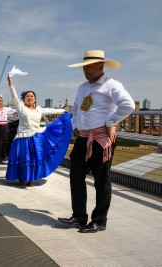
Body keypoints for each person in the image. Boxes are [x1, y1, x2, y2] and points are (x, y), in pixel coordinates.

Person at [58, 50, 135, 233]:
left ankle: (99, 220)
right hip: (83, 138)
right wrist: (76, 124)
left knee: (101, 180)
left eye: (90, 67)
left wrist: (110, 121)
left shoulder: (111, 85)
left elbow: (128, 105)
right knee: (76, 176)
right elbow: (76, 108)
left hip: (101, 139)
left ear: (101, 66)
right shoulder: (82, 87)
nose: (86, 70)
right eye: (84, 67)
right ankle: (78, 216)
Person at [6, 75, 72, 188]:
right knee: (22, 158)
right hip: (22, 137)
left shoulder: (39, 109)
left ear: (35, 99)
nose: (29, 97)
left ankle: (30, 179)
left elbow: (51, 110)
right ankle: (22, 178)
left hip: (35, 138)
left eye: (32, 96)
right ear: (24, 99)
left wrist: (63, 110)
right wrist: (10, 83)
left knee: (32, 158)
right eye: (27, 96)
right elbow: (14, 95)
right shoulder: (20, 107)